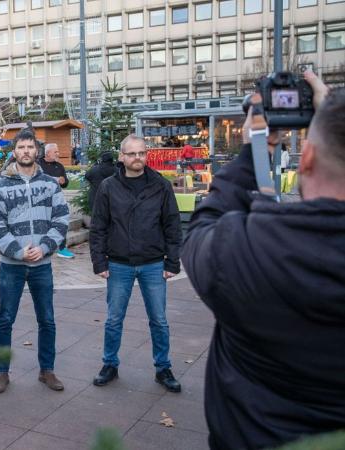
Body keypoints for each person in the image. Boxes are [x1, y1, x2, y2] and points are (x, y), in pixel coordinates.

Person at [182, 72, 345, 449]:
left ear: (305, 159)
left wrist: (253, 149)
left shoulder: (244, 248)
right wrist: (331, 114)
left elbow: (203, 226)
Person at [89, 134, 182, 393]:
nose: (137, 158)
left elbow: (172, 225)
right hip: (119, 264)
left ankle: (163, 368)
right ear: (122, 156)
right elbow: (98, 227)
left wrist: (172, 262)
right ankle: (109, 364)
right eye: (131, 154)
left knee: (159, 320)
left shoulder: (160, 185)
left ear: (146, 155)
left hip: (153, 263)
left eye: (141, 153)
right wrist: (99, 261)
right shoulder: (108, 186)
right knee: (114, 319)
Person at [0, 129, 70, 394]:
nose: (25, 151)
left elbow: (61, 220)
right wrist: (18, 251)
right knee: (5, 319)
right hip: (12, 265)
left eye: (30, 147)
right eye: (21, 147)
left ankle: (47, 370)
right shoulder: (1, 187)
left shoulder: (49, 184)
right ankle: (1, 372)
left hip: (41, 265)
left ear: (37, 151)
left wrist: (45, 247)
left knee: (47, 319)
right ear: (14, 152)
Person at [37, 143, 74, 259]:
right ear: (48, 153)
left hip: (56, 200)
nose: (58, 154)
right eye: (56, 152)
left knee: (61, 222)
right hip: (40, 200)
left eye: (58, 152)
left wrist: (64, 181)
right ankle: (41, 248)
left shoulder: (59, 166)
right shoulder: (37, 164)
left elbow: (66, 183)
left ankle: (62, 249)